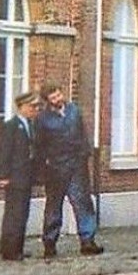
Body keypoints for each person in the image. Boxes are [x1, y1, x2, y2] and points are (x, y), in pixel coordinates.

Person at [36, 79, 102, 256]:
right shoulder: (42, 119)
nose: (58, 98)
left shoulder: (74, 110)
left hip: (77, 166)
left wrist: (84, 155)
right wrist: (43, 169)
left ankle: (88, 240)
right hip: (55, 168)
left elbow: (82, 134)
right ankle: (50, 243)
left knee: (83, 203)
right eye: (53, 97)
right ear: (47, 100)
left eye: (58, 94)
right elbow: (39, 146)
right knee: (53, 206)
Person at [0, 90, 40, 261]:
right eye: (32, 106)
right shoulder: (11, 126)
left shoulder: (30, 125)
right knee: (14, 214)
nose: (35, 109)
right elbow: (4, 153)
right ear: (22, 107)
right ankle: (9, 250)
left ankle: (16, 248)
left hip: (25, 177)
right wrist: (3, 176)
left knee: (22, 213)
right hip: (14, 177)